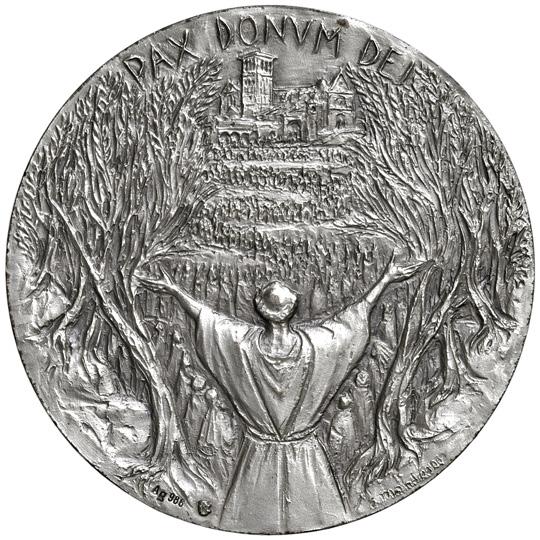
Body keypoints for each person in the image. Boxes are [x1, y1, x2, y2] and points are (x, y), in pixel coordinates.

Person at [137, 255, 428, 533]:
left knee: (248, 514)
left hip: (258, 458)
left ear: (259, 309)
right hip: (307, 458)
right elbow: (350, 323)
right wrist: (385, 280)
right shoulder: (317, 346)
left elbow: (209, 320)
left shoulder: (242, 346)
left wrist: (175, 291)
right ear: (293, 309)